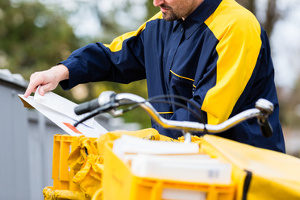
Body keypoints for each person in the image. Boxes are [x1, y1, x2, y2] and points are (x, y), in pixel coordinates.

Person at [24, 0, 285, 153]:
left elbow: (202, 118)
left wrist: (135, 143)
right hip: (181, 166)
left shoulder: (237, 28)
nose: (156, 2)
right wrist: (61, 71)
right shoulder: (163, 22)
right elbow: (115, 56)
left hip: (244, 175)